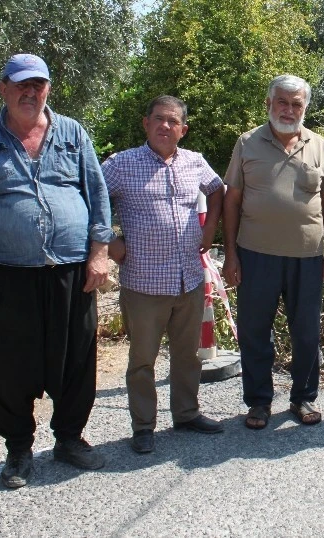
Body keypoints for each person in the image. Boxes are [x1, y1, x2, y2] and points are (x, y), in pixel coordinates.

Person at [0, 53, 112, 489]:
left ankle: (69, 438)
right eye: (21, 85)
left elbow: (97, 195)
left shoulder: (73, 133)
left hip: (70, 269)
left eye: (38, 85)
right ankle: (18, 450)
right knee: (9, 365)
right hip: (7, 273)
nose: (30, 92)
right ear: (3, 88)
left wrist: (99, 253)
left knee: (76, 358)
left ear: (48, 89)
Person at [101, 96, 225, 454]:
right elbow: (89, 198)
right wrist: (110, 241)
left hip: (188, 278)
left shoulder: (195, 162)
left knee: (187, 354)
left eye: (172, 122)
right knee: (143, 360)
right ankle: (143, 426)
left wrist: (210, 229)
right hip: (144, 282)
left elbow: (217, 191)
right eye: (158, 119)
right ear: (146, 123)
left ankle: (186, 414)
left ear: (183, 130)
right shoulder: (121, 164)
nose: (164, 127)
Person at [222, 74, 324, 430]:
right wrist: (230, 255)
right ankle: (259, 402)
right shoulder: (246, 143)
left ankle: (303, 398)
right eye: (282, 102)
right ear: (269, 104)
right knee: (255, 331)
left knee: (306, 332)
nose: (289, 110)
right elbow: (232, 201)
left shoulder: (318, 144)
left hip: (308, 257)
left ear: (304, 108)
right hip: (256, 255)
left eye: (296, 104)